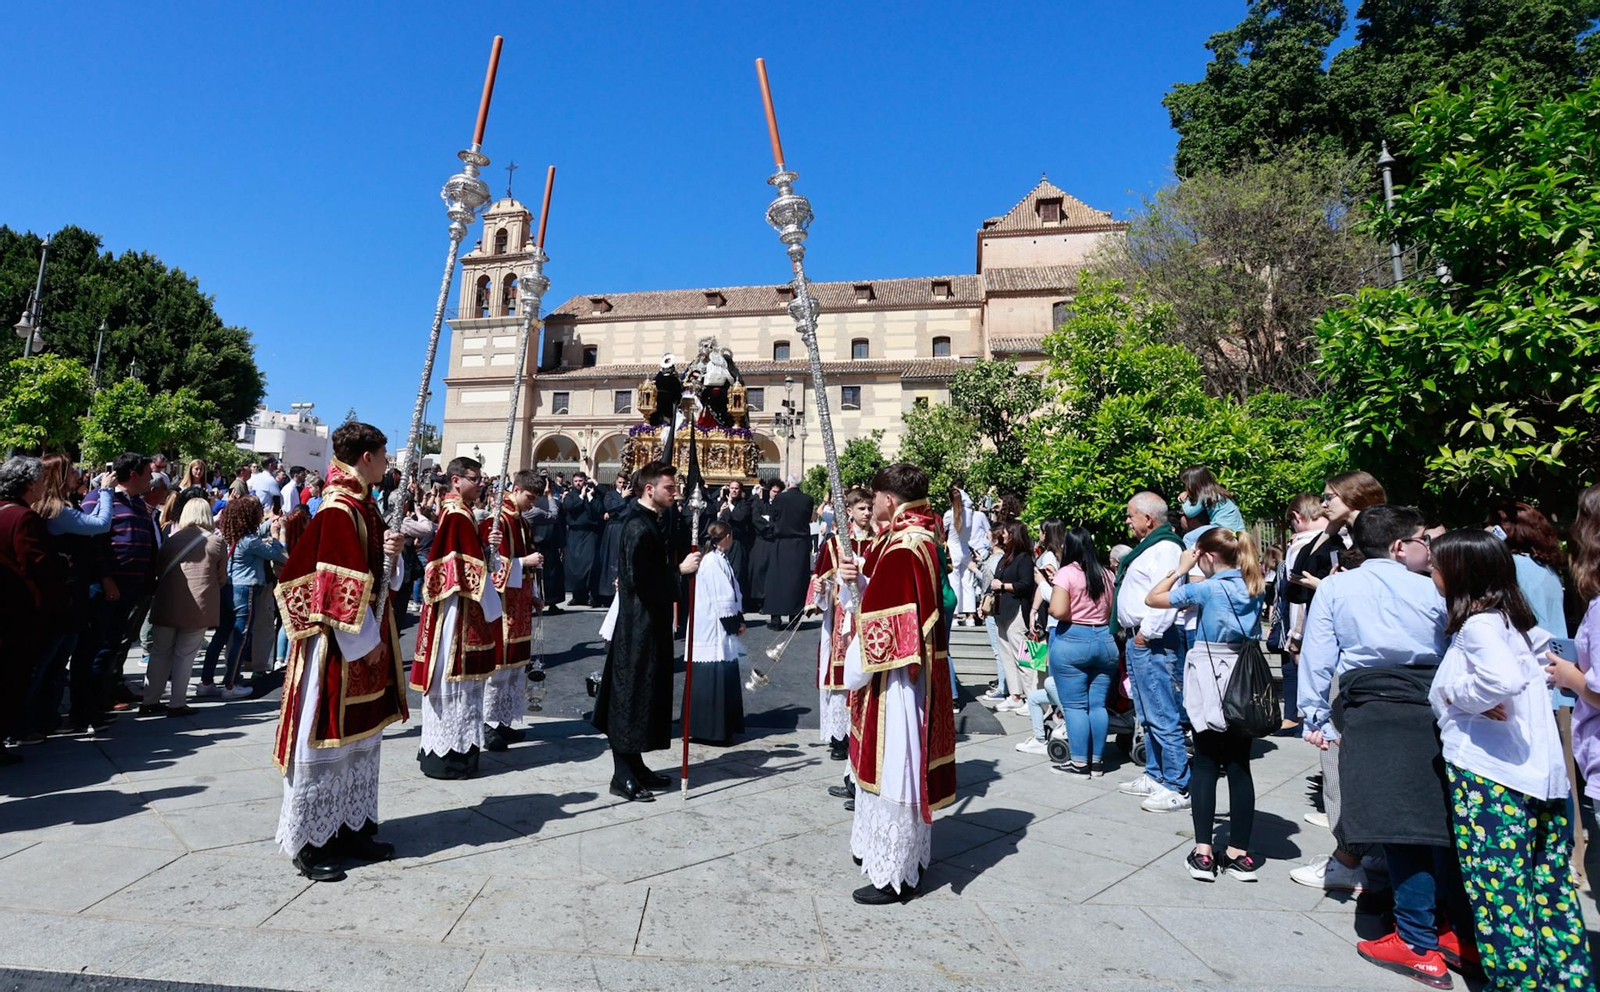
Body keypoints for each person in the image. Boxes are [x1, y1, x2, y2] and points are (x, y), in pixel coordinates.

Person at [1297, 505, 1467, 986]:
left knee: (1400, 829)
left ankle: (1417, 941)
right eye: (1422, 539)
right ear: (1398, 546)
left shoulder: (1336, 588)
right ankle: (1453, 931)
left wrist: (1314, 714)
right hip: (1431, 705)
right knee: (1440, 824)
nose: (1428, 547)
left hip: (1371, 708)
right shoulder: (1433, 589)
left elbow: (1318, 654)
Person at [1426, 530, 1590, 988]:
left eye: (1436, 566)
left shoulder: (1477, 626)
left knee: (1501, 897)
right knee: (1550, 892)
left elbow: (1499, 681)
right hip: (1540, 775)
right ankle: (1566, 981)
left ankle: (1516, 983)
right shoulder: (1514, 622)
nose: (1431, 573)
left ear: (1459, 572)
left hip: (1491, 776)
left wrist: (1461, 696)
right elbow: (1537, 668)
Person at [273, 422, 410, 882]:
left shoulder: (363, 505)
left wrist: (393, 553)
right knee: (325, 736)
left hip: (365, 640)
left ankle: (352, 828)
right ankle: (311, 843)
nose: (388, 462)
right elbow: (334, 588)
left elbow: (377, 575)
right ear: (366, 457)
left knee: (360, 743)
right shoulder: (338, 508)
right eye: (384, 454)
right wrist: (366, 646)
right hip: (339, 647)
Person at [835, 463, 955, 904]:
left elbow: (886, 630)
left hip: (897, 679)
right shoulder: (921, 535)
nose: (874, 505)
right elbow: (893, 597)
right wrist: (860, 581)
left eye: (876, 498)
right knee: (897, 765)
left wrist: (852, 670)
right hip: (908, 671)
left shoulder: (904, 546)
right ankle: (885, 853)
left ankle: (894, 873)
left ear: (888, 499)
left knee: (896, 768)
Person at [1146, 528, 1266, 881]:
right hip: (1244, 677)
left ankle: (1203, 853)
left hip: (1210, 674)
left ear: (1208, 556)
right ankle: (1240, 854)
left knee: (1205, 763)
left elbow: (1153, 599)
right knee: (1240, 765)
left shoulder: (1207, 589)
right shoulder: (1255, 586)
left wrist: (1181, 569)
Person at [592, 461, 702, 802]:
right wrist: (679, 571)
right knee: (630, 695)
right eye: (669, 488)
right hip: (637, 627)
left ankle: (636, 764)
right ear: (649, 489)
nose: (675, 493)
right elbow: (641, 578)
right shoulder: (638, 526)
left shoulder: (651, 520)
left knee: (645, 693)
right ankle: (622, 774)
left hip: (651, 623)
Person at [410, 457, 502, 780]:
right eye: (475, 479)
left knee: (463, 689)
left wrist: (487, 550)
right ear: (456, 480)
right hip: (456, 612)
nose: (481, 485)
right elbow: (453, 568)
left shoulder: (462, 513)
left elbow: (472, 560)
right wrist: (484, 563)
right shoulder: (458, 516)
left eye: (481, 480)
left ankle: (454, 754)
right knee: (454, 684)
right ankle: (450, 758)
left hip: (462, 607)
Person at [1113, 492, 1190, 812]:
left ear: (1148, 518)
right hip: (1141, 639)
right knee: (1147, 714)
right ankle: (1156, 775)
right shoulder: (1151, 547)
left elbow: (1167, 595)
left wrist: (1146, 635)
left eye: (1131, 515)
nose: (1127, 521)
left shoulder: (1166, 548)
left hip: (1152, 640)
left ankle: (1178, 785)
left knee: (1162, 713)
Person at [28, 457, 113, 740]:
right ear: (59, 476)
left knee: (54, 662)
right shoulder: (57, 511)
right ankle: (33, 721)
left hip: (68, 594)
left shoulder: (61, 507)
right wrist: (106, 491)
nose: (78, 474)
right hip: (62, 597)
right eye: (72, 471)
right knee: (49, 663)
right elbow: (100, 524)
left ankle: (45, 719)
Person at [72, 452, 158, 720]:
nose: (152, 480)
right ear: (133, 474)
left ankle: (100, 701)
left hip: (130, 587)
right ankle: (83, 709)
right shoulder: (99, 498)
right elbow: (91, 541)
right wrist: (105, 577)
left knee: (111, 645)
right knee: (93, 646)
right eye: (148, 474)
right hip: (106, 586)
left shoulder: (138, 503)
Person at [0, 457, 66, 759]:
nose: (42, 486)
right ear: (28, 484)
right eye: (39, 481)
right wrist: (62, 562)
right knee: (14, 677)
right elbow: (36, 563)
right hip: (19, 610)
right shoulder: (24, 517)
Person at [1042, 527, 1118, 773]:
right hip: (1105, 641)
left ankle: (1079, 762)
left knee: (1075, 706)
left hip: (1073, 640)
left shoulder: (1066, 573)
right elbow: (1111, 610)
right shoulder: (1106, 574)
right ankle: (1096, 761)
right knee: (1097, 705)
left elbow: (1058, 610)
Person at [142, 498, 226, 716]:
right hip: (197, 606)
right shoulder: (216, 542)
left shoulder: (171, 541)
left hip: (166, 603)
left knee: (159, 653)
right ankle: (177, 702)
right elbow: (221, 578)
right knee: (185, 655)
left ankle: (149, 700)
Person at [479, 470, 544, 753]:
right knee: (498, 668)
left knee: (515, 667)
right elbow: (490, 565)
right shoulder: (497, 521)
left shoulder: (523, 522)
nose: (532, 503)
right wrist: (523, 562)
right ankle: (486, 723)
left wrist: (534, 594)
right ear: (516, 489)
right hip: (502, 606)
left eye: (536, 499)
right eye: (529, 497)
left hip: (521, 603)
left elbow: (527, 562)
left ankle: (503, 720)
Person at [807, 487, 873, 762]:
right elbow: (819, 579)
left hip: (868, 616)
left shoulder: (879, 542)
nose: (867, 513)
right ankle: (839, 737)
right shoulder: (834, 544)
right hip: (840, 618)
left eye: (869, 508)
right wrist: (820, 589)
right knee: (840, 678)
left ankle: (861, 733)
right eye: (862, 509)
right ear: (849, 511)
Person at [216, 496, 287, 699]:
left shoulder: (233, 535)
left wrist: (270, 521)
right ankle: (231, 684)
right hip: (247, 588)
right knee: (243, 634)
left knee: (231, 635)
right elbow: (277, 554)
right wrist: (277, 535)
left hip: (231, 587)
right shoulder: (250, 540)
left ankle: (221, 678)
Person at [687, 521, 745, 745]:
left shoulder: (719, 559)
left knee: (722, 672)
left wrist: (737, 619)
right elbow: (723, 597)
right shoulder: (712, 561)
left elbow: (731, 592)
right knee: (713, 675)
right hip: (712, 626)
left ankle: (724, 728)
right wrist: (734, 624)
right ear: (727, 536)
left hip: (718, 624)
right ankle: (710, 731)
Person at [1276, 494, 1325, 733]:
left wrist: (1295, 636)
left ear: (1297, 517)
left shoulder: (1300, 546)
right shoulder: (1344, 538)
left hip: (1314, 627)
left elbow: (1298, 596)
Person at [1482, 500, 1568, 636]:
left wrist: (1486, 543)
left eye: (1492, 525)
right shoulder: (1546, 567)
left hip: (1530, 645)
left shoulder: (1511, 565)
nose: (1488, 529)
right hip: (1554, 644)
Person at [989, 520, 1037, 715]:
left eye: (1006, 531)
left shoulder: (1024, 558)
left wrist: (1002, 586)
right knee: (1006, 655)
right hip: (1002, 611)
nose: (1003, 534)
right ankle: (1015, 695)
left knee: (1023, 656)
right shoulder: (1006, 557)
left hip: (1017, 612)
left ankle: (1032, 698)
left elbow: (1026, 585)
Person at [763, 475, 814, 625]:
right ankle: (795, 617)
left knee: (777, 580)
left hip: (781, 543)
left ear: (788, 484)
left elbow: (773, 518)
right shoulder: (808, 499)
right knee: (797, 581)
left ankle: (776, 618)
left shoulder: (780, 499)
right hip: (800, 545)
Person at [943, 484, 991, 626]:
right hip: (965, 548)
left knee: (954, 582)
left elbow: (942, 531)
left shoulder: (949, 514)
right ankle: (970, 616)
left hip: (953, 548)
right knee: (968, 583)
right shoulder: (969, 513)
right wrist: (961, 491)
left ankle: (954, 616)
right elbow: (969, 502)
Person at [523, 476, 565, 613]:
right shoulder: (553, 503)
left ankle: (534, 600)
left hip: (533, 543)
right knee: (551, 574)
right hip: (549, 543)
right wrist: (563, 544)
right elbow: (558, 523)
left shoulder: (529, 505)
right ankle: (552, 602)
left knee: (534, 575)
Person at [562, 471, 602, 607]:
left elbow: (599, 510)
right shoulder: (571, 495)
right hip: (574, 534)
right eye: (576, 481)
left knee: (589, 565)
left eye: (580, 481)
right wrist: (581, 497)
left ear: (585, 481)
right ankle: (578, 596)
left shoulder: (593, 494)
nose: (578, 483)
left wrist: (590, 497)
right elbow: (569, 507)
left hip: (589, 533)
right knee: (574, 566)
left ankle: (591, 595)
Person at [594, 472, 632, 608]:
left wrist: (616, 510)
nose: (622, 485)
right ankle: (607, 593)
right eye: (620, 482)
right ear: (616, 482)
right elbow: (609, 506)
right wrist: (621, 499)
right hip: (613, 530)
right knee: (610, 559)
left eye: (624, 483)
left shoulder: (631, 496)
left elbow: (629, 510)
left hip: (625, 527)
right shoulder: (610, 495)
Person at [1178, 465, 1246, 538]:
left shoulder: (1206, 495)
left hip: (1223, 530)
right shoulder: (1217, 492)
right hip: (1238, 531)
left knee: (1188, 538)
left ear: (1193, 484)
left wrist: (1186, 499)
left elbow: (1189, 512)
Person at [718, 479, 755, 604]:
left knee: (737, 572)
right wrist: (721, 512)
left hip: (737, 542)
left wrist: (731, 505)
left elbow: (740, 517)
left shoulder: (744, 504)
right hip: (724, 542)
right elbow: (719, 522)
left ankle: (738, 602)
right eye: (732, 488)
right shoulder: (723, 503)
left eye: (736, 488)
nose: (733, 491)